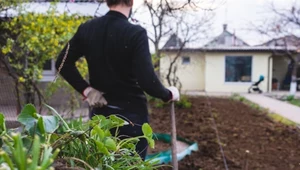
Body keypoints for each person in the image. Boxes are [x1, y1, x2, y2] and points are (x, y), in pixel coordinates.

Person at [55, 0, 180, 160]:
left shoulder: (88, 28)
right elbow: (147, 82)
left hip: (101, 118)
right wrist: (168, 94)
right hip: (132, 120)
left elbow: (62, 63)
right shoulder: (135, 33)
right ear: (132, 2)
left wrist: (87, 90)